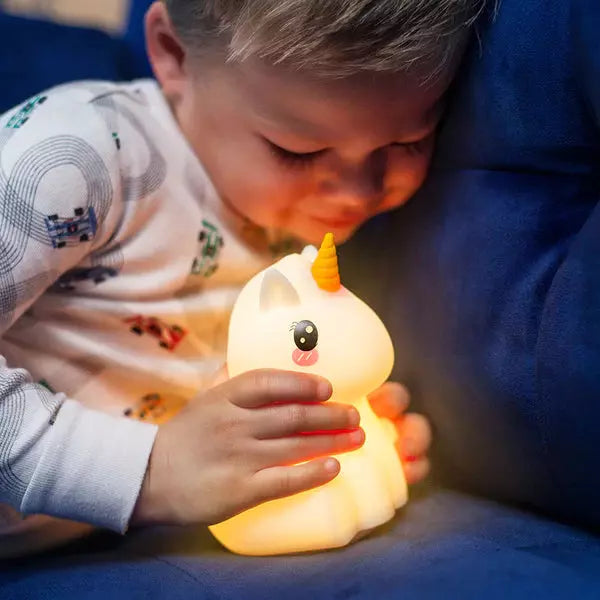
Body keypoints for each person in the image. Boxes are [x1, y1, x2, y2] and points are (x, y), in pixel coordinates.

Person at [0, 0, 483, 556]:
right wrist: (153, 470)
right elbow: (167, 465)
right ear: (175, 54)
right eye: (297, 151)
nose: (360, 191)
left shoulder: (292, 213)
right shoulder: (74, 159)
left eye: (408, 142)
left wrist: (330, 431)